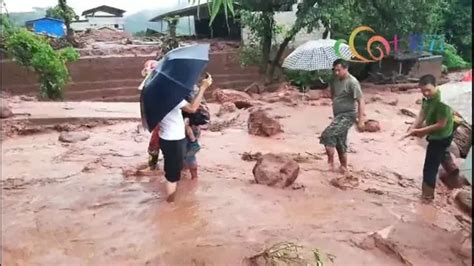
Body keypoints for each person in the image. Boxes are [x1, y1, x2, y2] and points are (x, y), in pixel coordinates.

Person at [160, 74, 213, 202]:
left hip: (165, 136)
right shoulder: (172, 96)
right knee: (174, 174)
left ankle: (180, 185)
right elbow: (193, 108)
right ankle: (170, 205)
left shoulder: (153, 96)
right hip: (175, 137)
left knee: (173, 168)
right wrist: (203, 87)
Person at [407, 74, 454, 202]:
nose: (426, 93)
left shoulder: (442, 101)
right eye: (423, 91)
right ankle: (451, 165)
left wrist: (420, 131)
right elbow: (422, 114)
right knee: (441, 153)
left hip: (441, 135)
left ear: (436, 86)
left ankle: (427, 197)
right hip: (437, 132)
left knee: (430, 167)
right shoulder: (427, 98)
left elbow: (440, 124)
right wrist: (413, 127)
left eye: (428, 90)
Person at [320, 59, 365, 174]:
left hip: (348, 115)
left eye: (339, 70)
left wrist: (361, 121)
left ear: (346, 69)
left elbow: (361, 101)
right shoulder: (335, 80)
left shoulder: (352, 82)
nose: (336, 73)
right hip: (338, 115)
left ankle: (330, 163)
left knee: (327, 135)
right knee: (340, 141)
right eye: (335, 70)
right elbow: (333, 95)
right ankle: (344, 167)